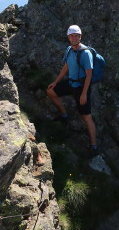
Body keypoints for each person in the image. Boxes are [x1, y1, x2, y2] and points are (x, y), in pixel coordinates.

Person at [46, 24, 98, 157]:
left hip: (81, 87)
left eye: (76, 35)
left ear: (80, 36)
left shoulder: (85, 53)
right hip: (71, 83)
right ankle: (64, 115)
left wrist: (84, 94)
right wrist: (56, 82)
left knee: (86, 117)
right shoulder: (69, 50)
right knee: (51, 91)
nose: (74, 38)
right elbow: (66, 66)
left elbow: (89, 75)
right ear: (68, 37)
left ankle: (94, 146)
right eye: (71, 36)